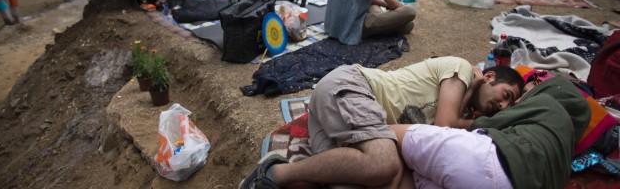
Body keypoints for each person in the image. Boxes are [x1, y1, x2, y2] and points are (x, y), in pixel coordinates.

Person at [239, 57, 525, 189]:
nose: (501, 106)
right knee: (383, 163)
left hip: (337, 118)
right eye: (505, 96)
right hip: (351, 86)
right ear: (489, 77)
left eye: (508, 105)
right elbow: (443, 127)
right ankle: (274, 172)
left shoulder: (466, 109)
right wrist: (470, 105)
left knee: (356, 181)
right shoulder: (460, 69)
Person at [391, 74, 590, 189]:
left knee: (387, 133)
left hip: (490, 162)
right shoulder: (563, 155)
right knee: (408, 175)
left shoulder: (548, 104)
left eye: (524, 95)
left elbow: (449, 124)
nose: (514, 104)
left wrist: (470, 91)